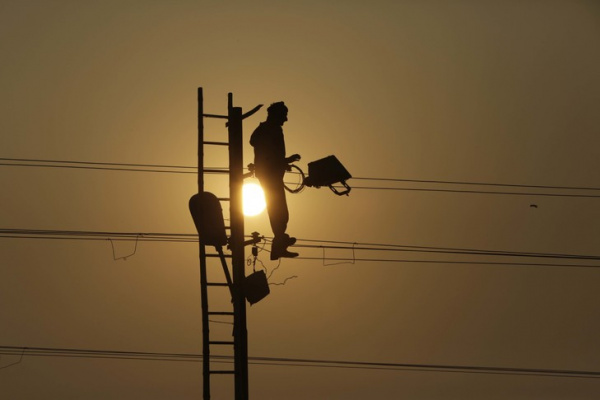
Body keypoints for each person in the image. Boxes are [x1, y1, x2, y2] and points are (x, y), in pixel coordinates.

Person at [250, 102, 300, 260]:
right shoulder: (268, 130)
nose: (285, 119)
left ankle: (279, 241)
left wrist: (284, 162)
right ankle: (278, 243)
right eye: (284, 115)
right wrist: (284, 161)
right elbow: (268, 153)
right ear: (275, 115)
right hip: (269, 174)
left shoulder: (267, 129)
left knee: (279, 210)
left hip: (271, 173)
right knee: (278, 210)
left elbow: (262, 148)